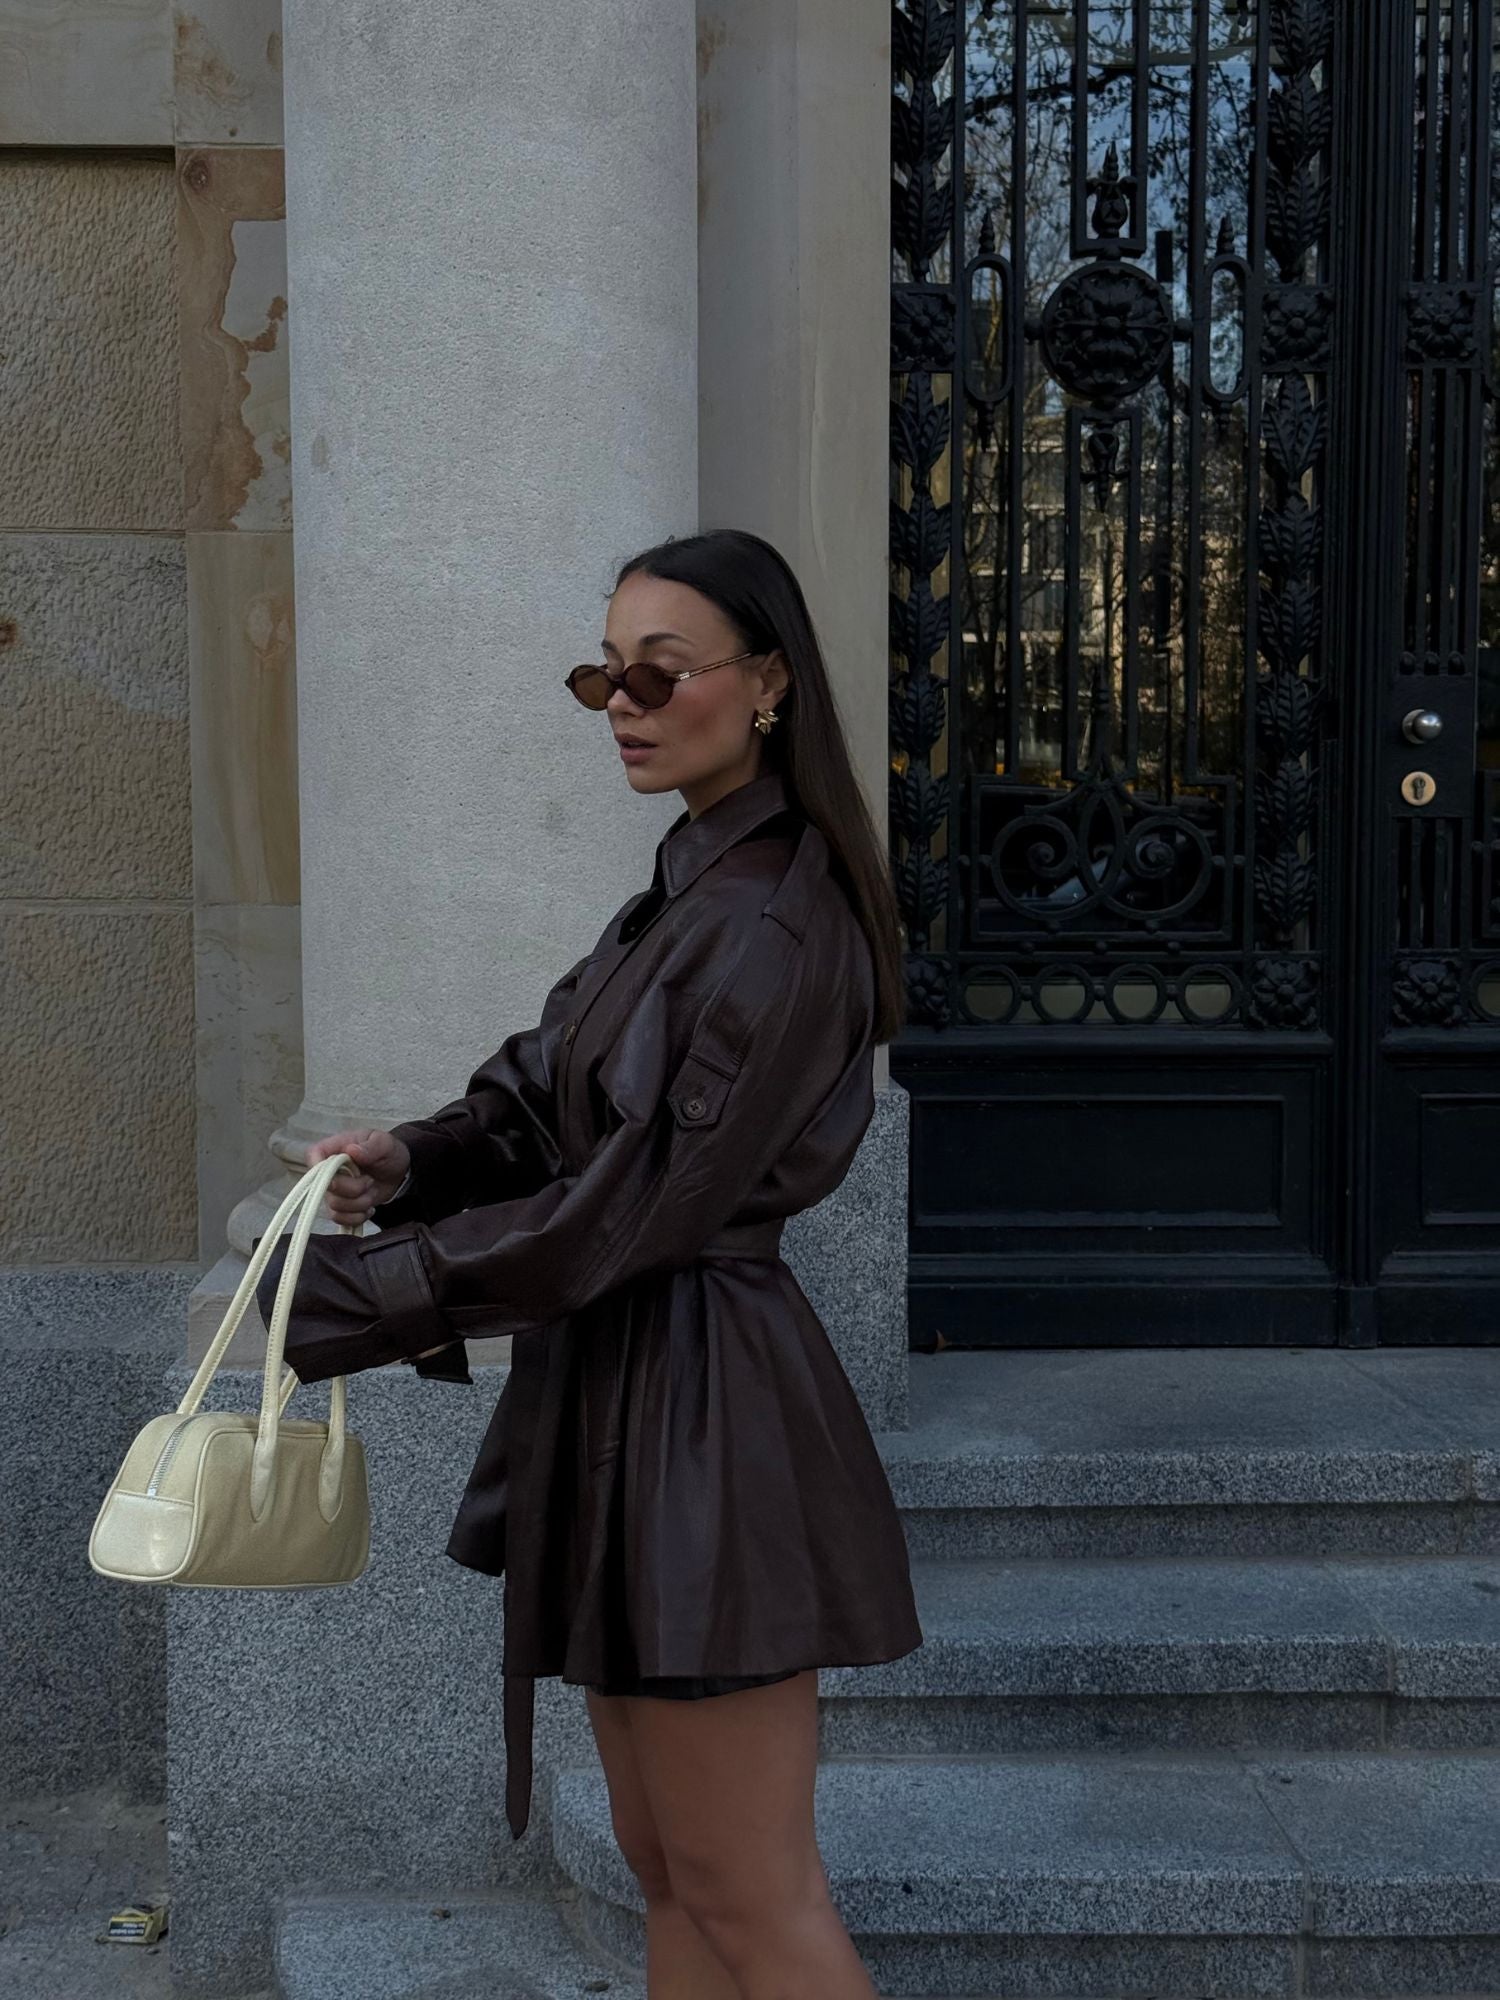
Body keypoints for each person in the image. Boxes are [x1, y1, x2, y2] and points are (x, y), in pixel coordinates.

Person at [252, 527, 923, 1999]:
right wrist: (411, 1162)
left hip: (706, 1415)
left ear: (767, 687)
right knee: (669, 1871)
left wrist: (346, 1299)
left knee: (751, 1893)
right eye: (602, 674)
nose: (623, 701)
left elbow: (630, 1206)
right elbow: (546, 1084)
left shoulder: (767, 919)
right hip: (634, 1393)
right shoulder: (691, 890)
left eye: (659, 673)